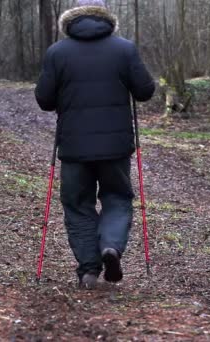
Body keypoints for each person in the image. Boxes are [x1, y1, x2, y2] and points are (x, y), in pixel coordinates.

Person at [35, 0, 155, 289]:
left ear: (71, 19)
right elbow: (145, 90)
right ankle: (110, 247)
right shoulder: (124, 49)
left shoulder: (57, 52)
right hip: (116, 147)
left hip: (74, 148)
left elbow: (44, 99)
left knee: (78, 205)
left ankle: (89, 270)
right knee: (117, 198)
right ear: (106, 17)